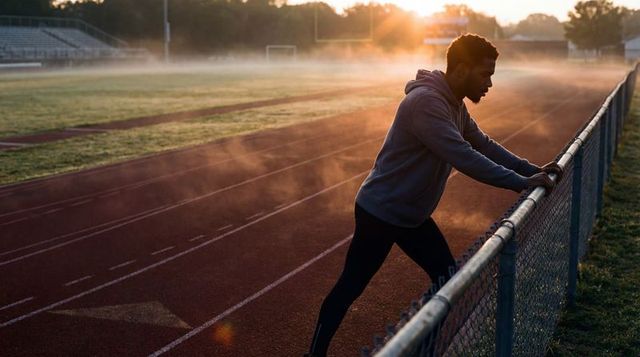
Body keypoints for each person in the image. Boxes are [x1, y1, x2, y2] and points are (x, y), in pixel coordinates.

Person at [305, 34, 562, 357]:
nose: (489, 84)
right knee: (351, 285)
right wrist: (521, 182)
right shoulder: (427, 103)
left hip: (412, 216)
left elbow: (483, 144)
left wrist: (530, 170)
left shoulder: (454, 103)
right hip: (381, 212)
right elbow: (464, 156)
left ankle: (423, 351)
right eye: (485, 75)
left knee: (446, 279)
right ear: (460, 69)